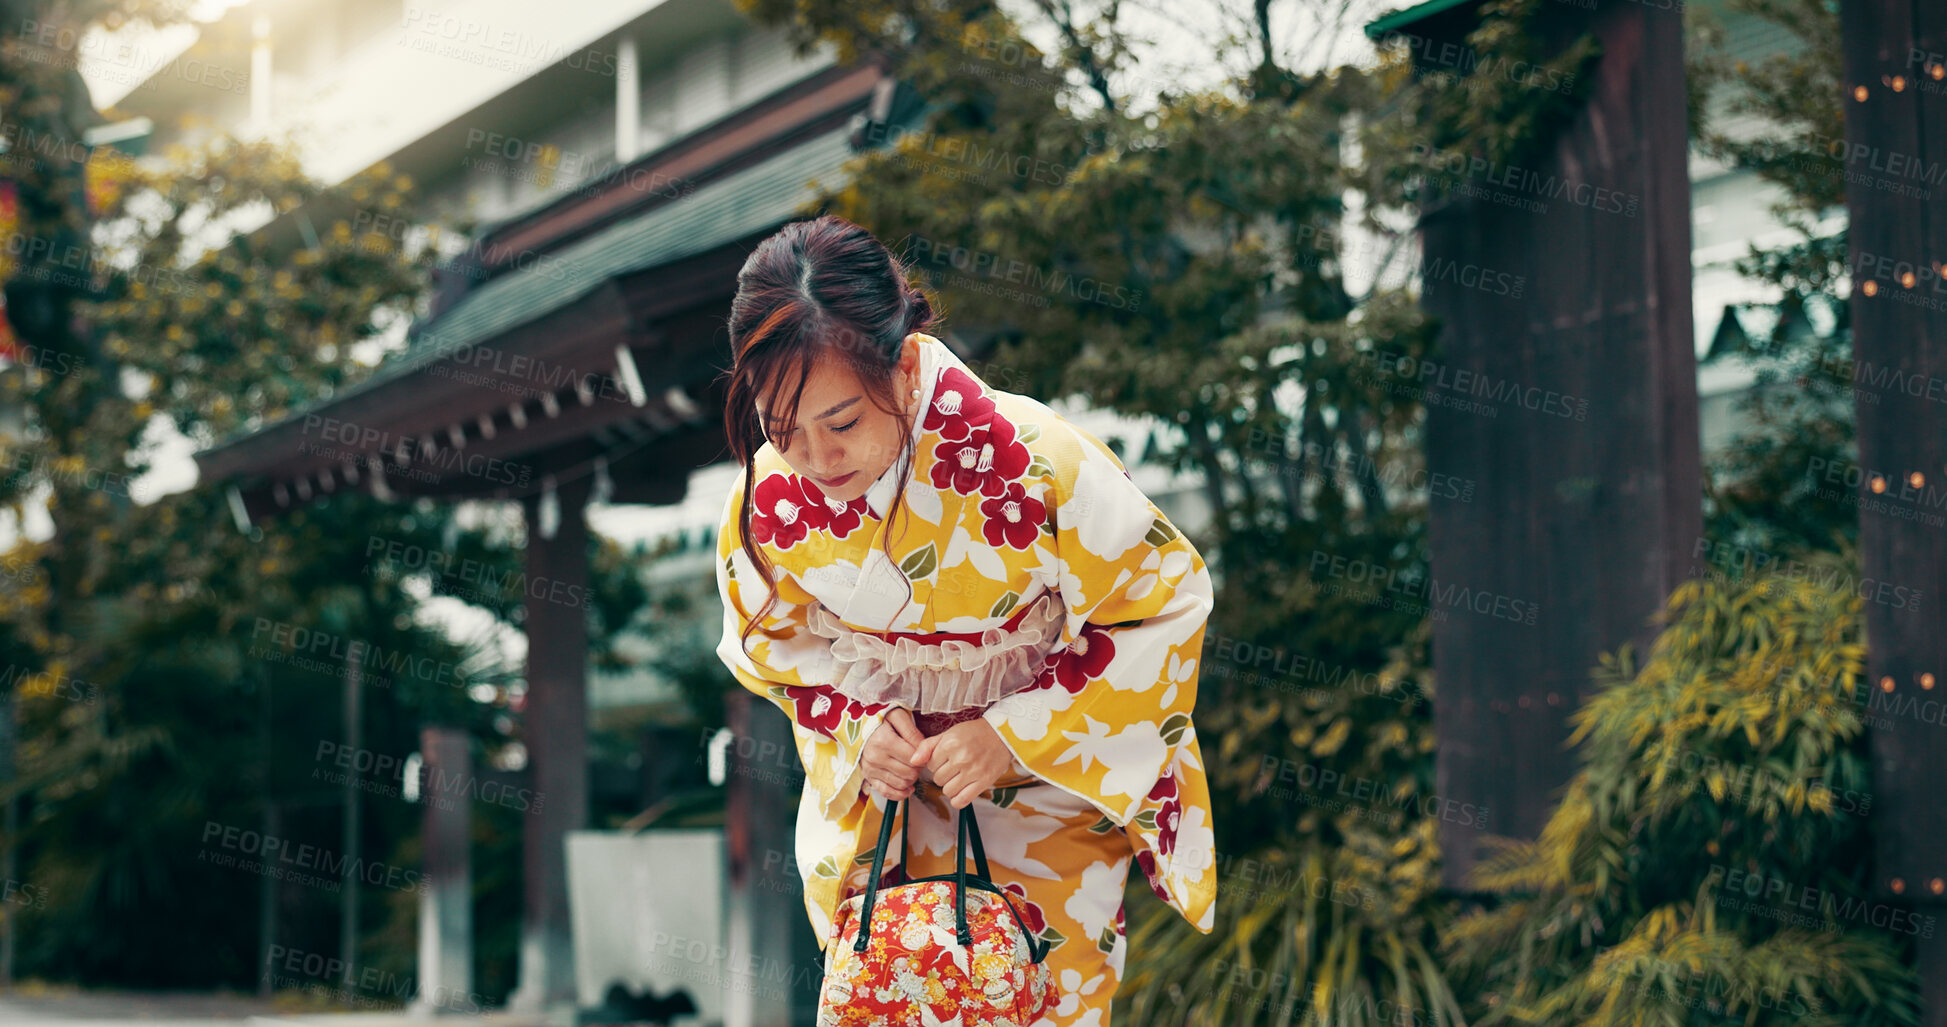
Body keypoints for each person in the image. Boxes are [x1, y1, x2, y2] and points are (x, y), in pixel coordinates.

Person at [712, 213, 1216, 1024]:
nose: (813, 457)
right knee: (887, 993)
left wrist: (1011, 731)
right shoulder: (766, 495)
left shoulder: (1036, 457)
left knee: (1045, 999)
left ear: (903, 363)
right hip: (890, 792)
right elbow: (769, 640)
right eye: (782, 428)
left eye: (840, 421)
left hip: (1045, 786)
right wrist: (858, 723)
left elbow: (1161, 603)